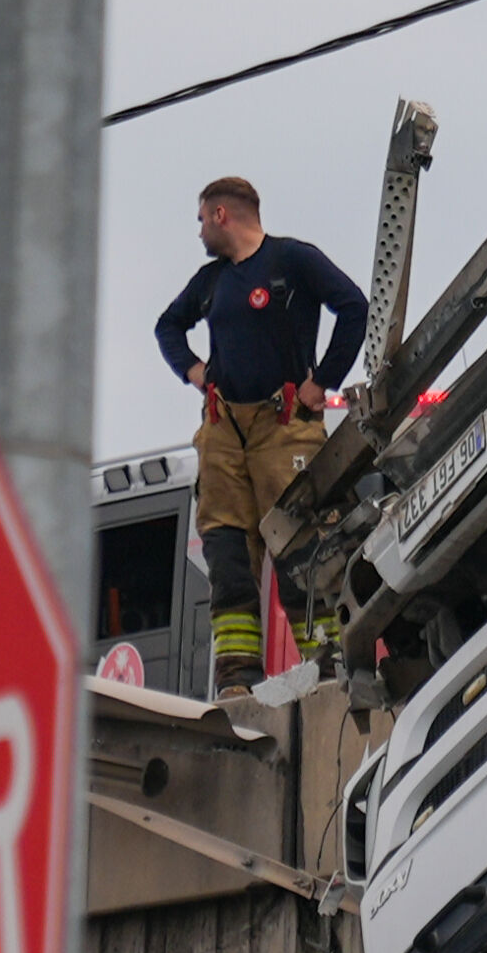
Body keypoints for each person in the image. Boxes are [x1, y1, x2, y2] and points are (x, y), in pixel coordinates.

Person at [150, 175, 371, 693]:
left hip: (283, 427)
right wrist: (195, 371)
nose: (200, 231)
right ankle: (237, 678)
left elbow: (353, 307)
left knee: (299, 550)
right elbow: (167, 326)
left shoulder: (292, 261)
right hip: (224, 431)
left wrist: (322, 383)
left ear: (222, 215)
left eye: (202, 219)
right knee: (226, 555)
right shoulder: (209, 282)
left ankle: (329, 664)